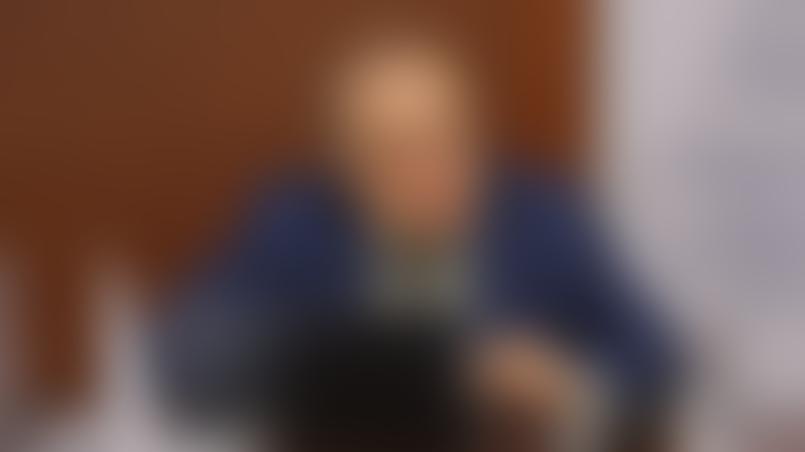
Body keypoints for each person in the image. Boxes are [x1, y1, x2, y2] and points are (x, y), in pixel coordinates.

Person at [157, 26, 673, 450]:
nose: (429, 171)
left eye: (448, 140)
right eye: (394, 153)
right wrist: (415, 367)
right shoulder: (296, 220)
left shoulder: (543, 217)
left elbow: (658, 355)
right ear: (344, 164)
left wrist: (566, 381)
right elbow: (190, 358)